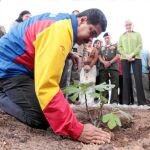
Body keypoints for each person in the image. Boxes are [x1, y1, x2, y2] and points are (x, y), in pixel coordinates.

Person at [0, 9, 110, 144]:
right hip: (8, 68)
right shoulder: (60, 32)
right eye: (91, 32)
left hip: (19, 64)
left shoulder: (64, 23)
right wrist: (76, 129)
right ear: (82, 20)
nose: (90, 39)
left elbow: (41, 40)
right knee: (39, 118)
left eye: (94, 37)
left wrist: (67, 54)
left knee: (50, 110)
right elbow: (47, 86)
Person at [118, 20, 146, 105]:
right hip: (124, 58)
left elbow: (140, 45)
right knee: (126, 79)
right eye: (126, 25)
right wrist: (126, 55)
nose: (128, 26)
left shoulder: (137, 34)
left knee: (138, 79)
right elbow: (119, 47)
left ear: (132, 25)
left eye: (129, 24)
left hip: (136, 58)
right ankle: (126, 102)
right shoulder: (121, 36)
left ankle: (141, 102)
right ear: (124, 26)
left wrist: (132, 55)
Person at [98, 32, 119, 104]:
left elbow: (118, 55)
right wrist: (104, 62)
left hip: (113, 67)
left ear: (111, 37)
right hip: (103, 67)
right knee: (104, 84)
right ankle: (104, 101)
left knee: (114, 84)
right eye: (105, 38)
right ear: (104, 39)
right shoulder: (101, 47)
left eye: (108, 37)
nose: (107, 39)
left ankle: (114, 101)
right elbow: (99, 56)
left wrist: (110, 62)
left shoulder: (116, 45)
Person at [79, 39, 98, 105]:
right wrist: (83, 66)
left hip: (92, 68)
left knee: (91, 84)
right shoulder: (83, 48)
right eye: (88, 41)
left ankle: (90, 102)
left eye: (91, 41)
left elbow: (95, 58)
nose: (90, 42)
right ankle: (82, 101)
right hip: (83, 68)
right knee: (82, 83)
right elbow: (81, 57)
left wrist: (90, 66)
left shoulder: (95, 49)